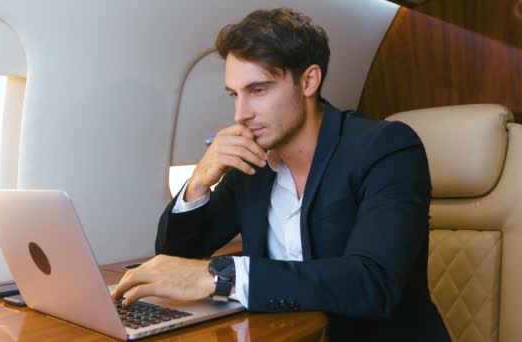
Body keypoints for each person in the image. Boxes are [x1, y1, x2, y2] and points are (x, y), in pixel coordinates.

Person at [113, 7, 450, 341]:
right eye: (235, 94)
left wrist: (222, 276)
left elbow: (371, 282)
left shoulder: (386, 147)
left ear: (309, 81)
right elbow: (176, 260)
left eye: (258, 90)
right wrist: (200, 182)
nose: (240, 113)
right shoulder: (252, 165)